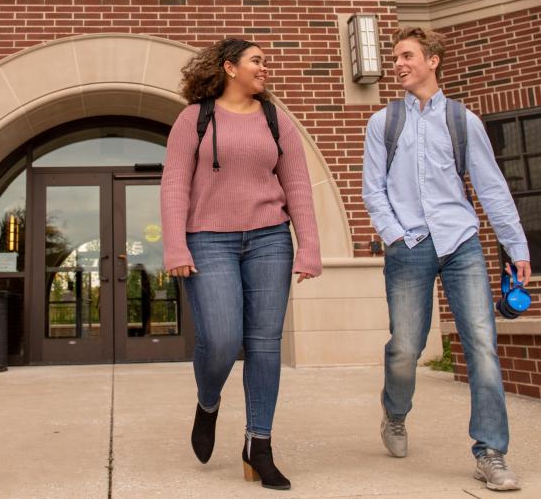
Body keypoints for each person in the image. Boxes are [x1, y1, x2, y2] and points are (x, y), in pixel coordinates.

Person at [362, 26, 531, 492]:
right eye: (395, 57)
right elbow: (372, 191)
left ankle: (490, 452)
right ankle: (394, 414)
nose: (398, 63)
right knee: (406, 349)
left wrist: (517, 248)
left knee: (482, 347)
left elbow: (491, 187)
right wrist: (396, 236)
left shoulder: (463, 121)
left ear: (432, 60)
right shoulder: (384, 123)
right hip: (409, 246)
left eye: (406, 55)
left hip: (461, 244)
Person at [160, 38, 321, 490]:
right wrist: (176, 245)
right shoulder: (193, 119)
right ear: (230, 67)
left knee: (265, 344)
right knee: (223, 338)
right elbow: (174, 184)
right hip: (208, 240)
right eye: (257, 61)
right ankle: (208, 401)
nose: (264, 68)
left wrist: (308, 246)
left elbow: (299, 187)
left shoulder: (276, 120)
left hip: (270, 238)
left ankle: (259, 444)